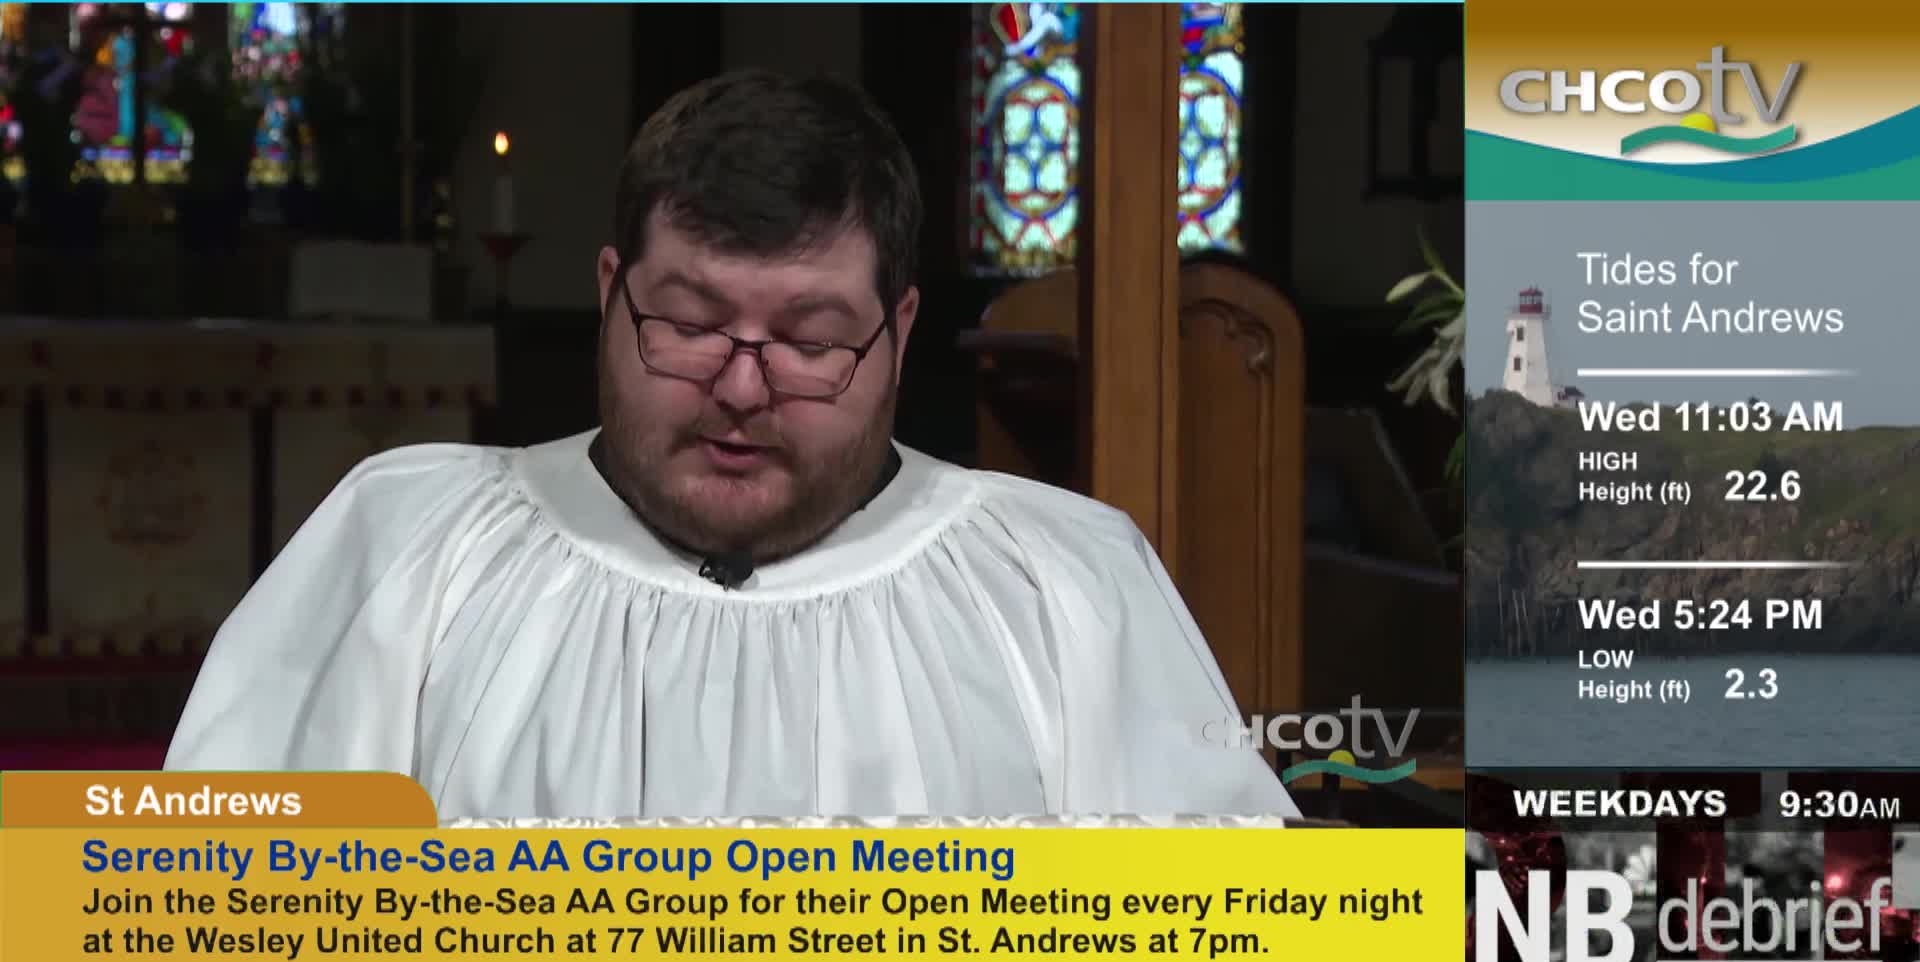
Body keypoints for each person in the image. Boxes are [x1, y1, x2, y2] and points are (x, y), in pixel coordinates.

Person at [165, 69, 1299, 822]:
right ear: (611, 295)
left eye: (811, 341)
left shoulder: (1064, 584)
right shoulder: (411, 549)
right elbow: (214, 936)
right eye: (693, 325)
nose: (742, 388)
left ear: (898, 334)